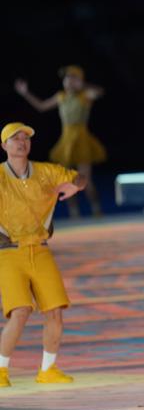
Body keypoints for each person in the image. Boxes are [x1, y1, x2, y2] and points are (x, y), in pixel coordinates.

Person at [0, 122, 87, 387]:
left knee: (55, 311)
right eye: (15, 138)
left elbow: (78, 176)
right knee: (21, 310)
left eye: (26, 138)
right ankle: (1, 370)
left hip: (40, 250)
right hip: (9, 253)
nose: (22, 142)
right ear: (4, 146)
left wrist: (75, 185)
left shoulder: (46, 172)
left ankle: (48, 369)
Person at [14, 66, 106, 217]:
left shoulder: (85, 95)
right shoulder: (61, 96)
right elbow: (41, 106)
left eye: (73, 78)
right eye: (66, 78)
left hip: (82, 139)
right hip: (66, 141)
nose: (68, 81)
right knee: (66, 179)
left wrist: (83, 86)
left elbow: (100, 91)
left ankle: (96, 209)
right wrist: (26, 93)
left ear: (79, 81)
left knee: (85, 179)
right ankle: (74, 213)